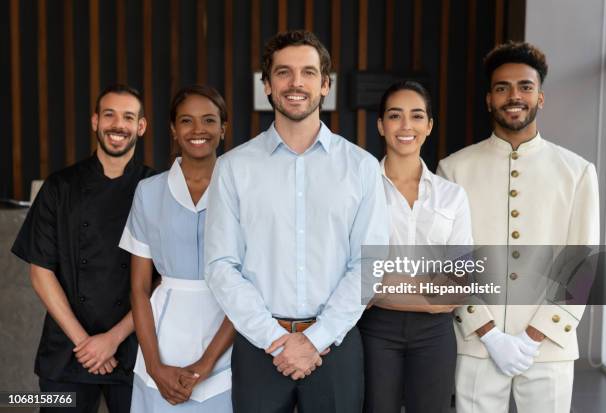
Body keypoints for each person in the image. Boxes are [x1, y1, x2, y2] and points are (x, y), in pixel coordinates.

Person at [204, 30, 389, 412]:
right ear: (267, 85)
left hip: (335, 345)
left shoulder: (362, 168)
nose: (296, 83)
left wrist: (315, 338)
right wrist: (275, 339)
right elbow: (221, 265)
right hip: (259, 346)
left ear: (325, 85)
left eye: (307, 73)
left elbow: (369, 265)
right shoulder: (233, 168)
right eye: (284, 73)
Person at [437, 42, 600, 413]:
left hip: (550, 347)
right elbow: (449, 260)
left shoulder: (577, 172)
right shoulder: (453, 169)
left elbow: (583, 264)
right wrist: (488, 332)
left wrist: (533, 336)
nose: (514, 96)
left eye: (525, 87)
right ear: (488, 100)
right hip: (476, 344)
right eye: (502, 88)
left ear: (540, 98)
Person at [11, 84, 155, 413]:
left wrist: (112, 339)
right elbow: (40, 271)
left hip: (135, 350)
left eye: (128, 117)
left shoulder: (156, 189)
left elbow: (162, 280)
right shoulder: (59, 187)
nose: (118, 125)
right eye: (109, 115)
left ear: (141, 126)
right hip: (67, 352)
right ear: (95, 122)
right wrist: (85, 344)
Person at [359, 80, 473, 413]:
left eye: (417, 116)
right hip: (373, 331)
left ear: (429, 126)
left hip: (435, 334)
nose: (406, 125)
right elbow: (353, 281)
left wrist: (380, 285)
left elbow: (458, 286)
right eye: (395, 116)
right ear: (381, 125)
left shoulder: (452, 196)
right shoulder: (360, 192)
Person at [119, 85, 234, 412]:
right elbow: (139, 289)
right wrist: (155, 366)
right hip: (161, 337)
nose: (198, 130)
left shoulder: (241, 190)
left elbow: (249, 286)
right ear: (173, 129)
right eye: (187, 121)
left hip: (226, 333)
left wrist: (208, 362)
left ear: (223, 129)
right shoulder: (148, 192)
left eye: (209, 121)